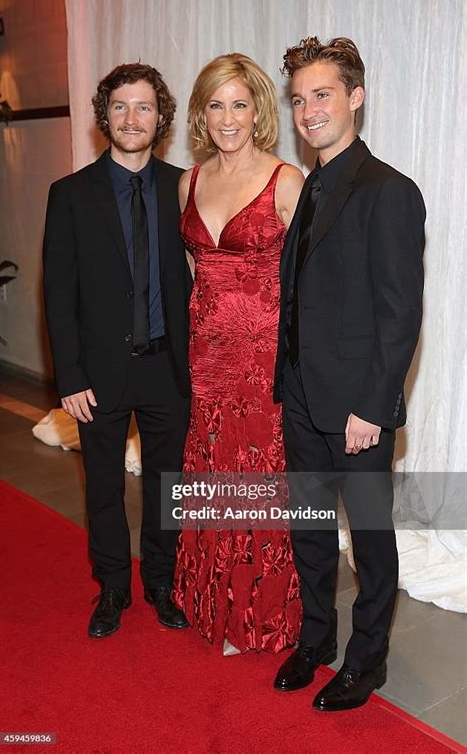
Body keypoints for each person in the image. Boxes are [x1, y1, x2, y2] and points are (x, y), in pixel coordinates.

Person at [273, 37, 425, 709]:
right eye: (300, 100)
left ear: (356, 97)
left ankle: (368, 661)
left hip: (357, 407)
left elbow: (400, 315)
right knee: (308, 525)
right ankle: (316, 639)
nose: (309, 112)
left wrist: (374, 406)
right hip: (303, 396)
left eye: (323, 95)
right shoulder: (309, 188)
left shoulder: (389, 190)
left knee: (368, 539)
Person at [43, 63, 192, 638]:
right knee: (103, 486)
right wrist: (69, 376)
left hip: (166, 368)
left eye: (146, 107)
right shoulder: (71, 195)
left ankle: (160, 581)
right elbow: (58, 294)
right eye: (122, 107)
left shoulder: (182, 188)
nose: (134, 118)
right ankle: (112, 586)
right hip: (98, 374)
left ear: (162, 119)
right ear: (105, 116)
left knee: (167, 485)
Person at [172, 53, 305, 653]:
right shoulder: (190, 180)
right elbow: (197, 269)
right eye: (216, 105)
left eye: (240, 104)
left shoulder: (286, 180)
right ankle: (214, 601)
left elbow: (310, 283)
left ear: (259, 111)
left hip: (263, 359)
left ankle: (259, 610)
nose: (228, 118)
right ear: (203, 113)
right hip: (208, 356)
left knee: (261, 474)